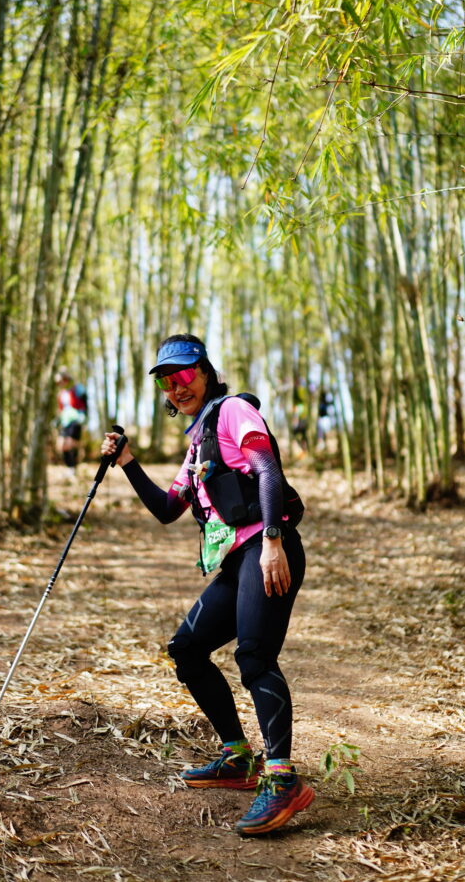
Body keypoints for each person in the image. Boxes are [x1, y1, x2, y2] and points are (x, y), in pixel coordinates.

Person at [101, 333, 313, 836]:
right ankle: (237, 758)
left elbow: (267, 470)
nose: (177, 388)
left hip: (268, 551)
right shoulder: (199, 438)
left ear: (206, 372)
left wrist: (273, 541)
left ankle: (282, 780)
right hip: (240, 560)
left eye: (185, 376)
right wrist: (128, 461)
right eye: (168, 383)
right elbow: (168, 509)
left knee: (255, 656)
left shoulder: (234, 411)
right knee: (188, 648)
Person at [55, 368, 88, 475]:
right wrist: (56, 421)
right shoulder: (61, 394)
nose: (60, 384)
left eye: (62, 381)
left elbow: (85, 401)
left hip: (75, 420)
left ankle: (73, 468)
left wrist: (84, 415)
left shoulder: (77, 388)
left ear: (66, 379)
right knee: (61, 444)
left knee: (70, 443)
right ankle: (70, 466)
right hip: (65, 422)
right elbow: (62, 409)